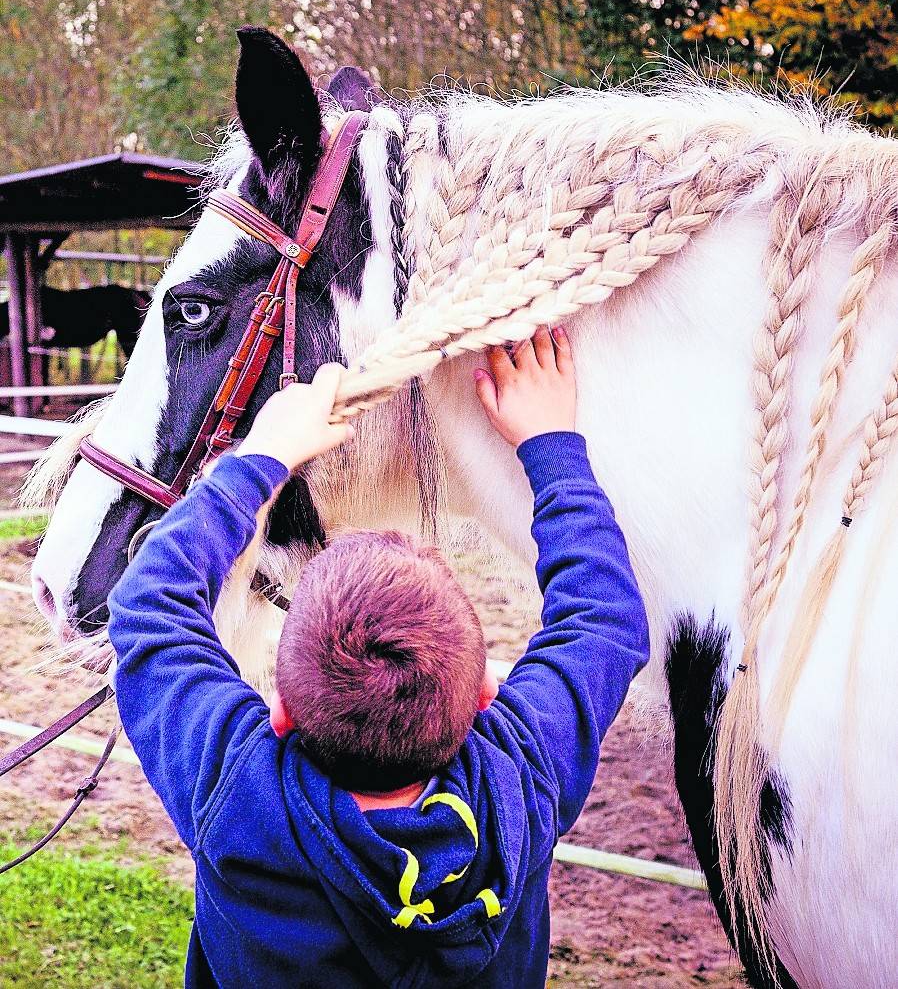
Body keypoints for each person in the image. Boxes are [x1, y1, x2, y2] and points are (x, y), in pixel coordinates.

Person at [108, 325, 650, 988]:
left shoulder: (239, 794)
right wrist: (552, 445)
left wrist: (264, 452)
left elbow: (144, 604)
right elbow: (604, 617)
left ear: (278, 710)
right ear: (486, 693)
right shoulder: (518, 781)